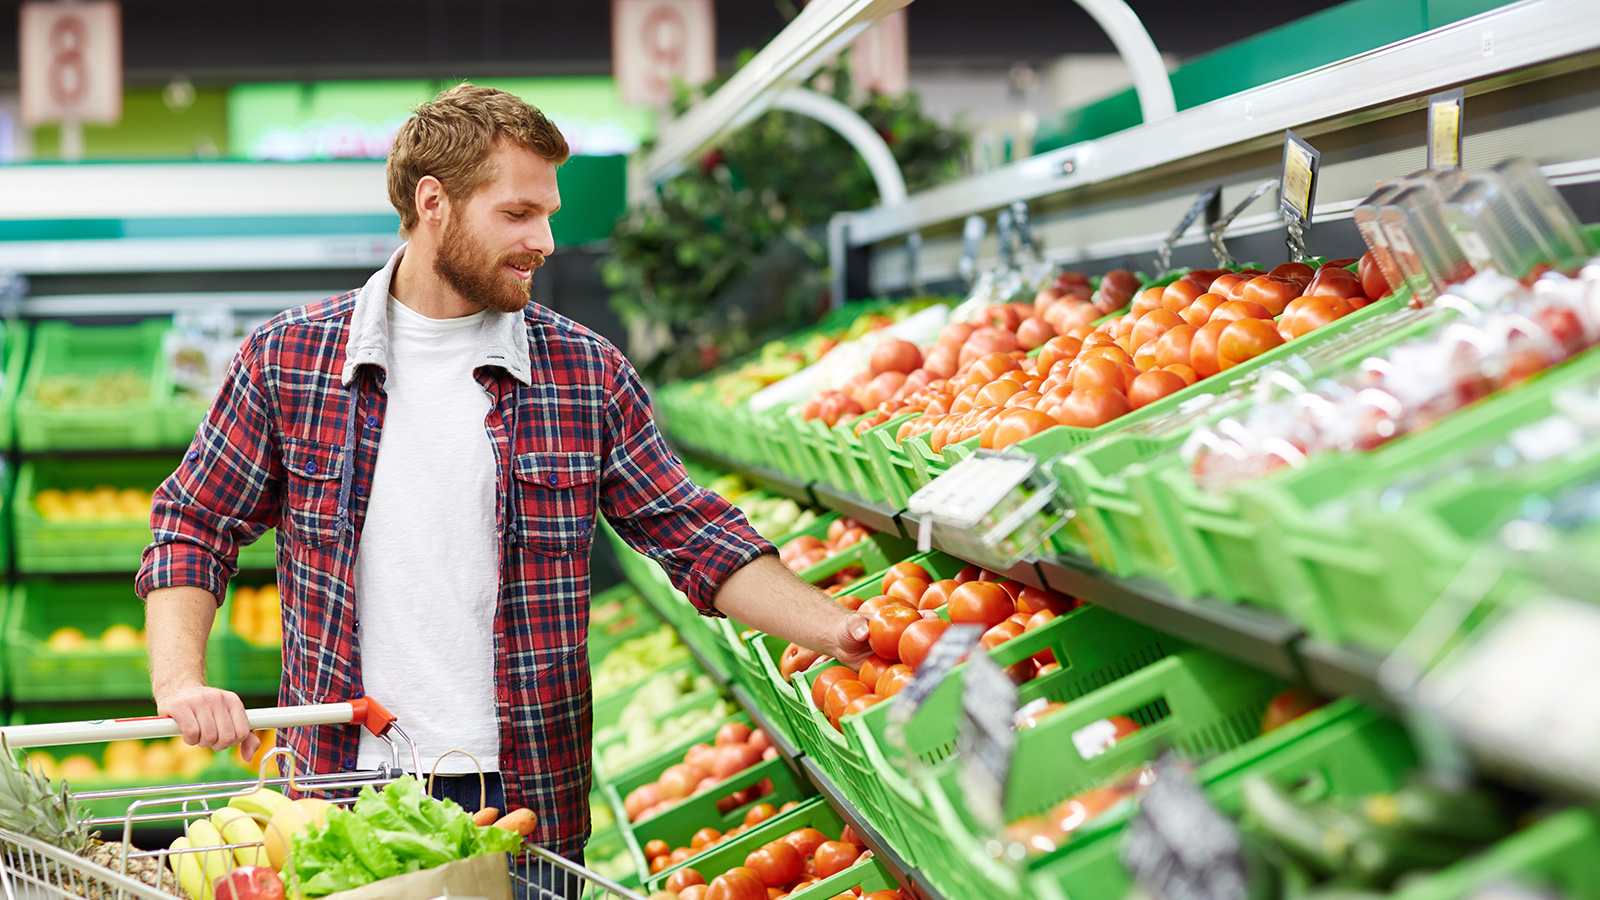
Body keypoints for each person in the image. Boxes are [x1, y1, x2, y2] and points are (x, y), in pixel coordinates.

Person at [137, 82, 872, 887]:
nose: (545, 241)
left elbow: (695, 538)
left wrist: (846, 632)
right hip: (341, 795)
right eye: (518, 214)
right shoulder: (291, 359)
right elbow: (194, 521)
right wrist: (181, 681)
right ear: (433, 203)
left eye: (547, 214)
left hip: (524, 802)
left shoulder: (583, 372)